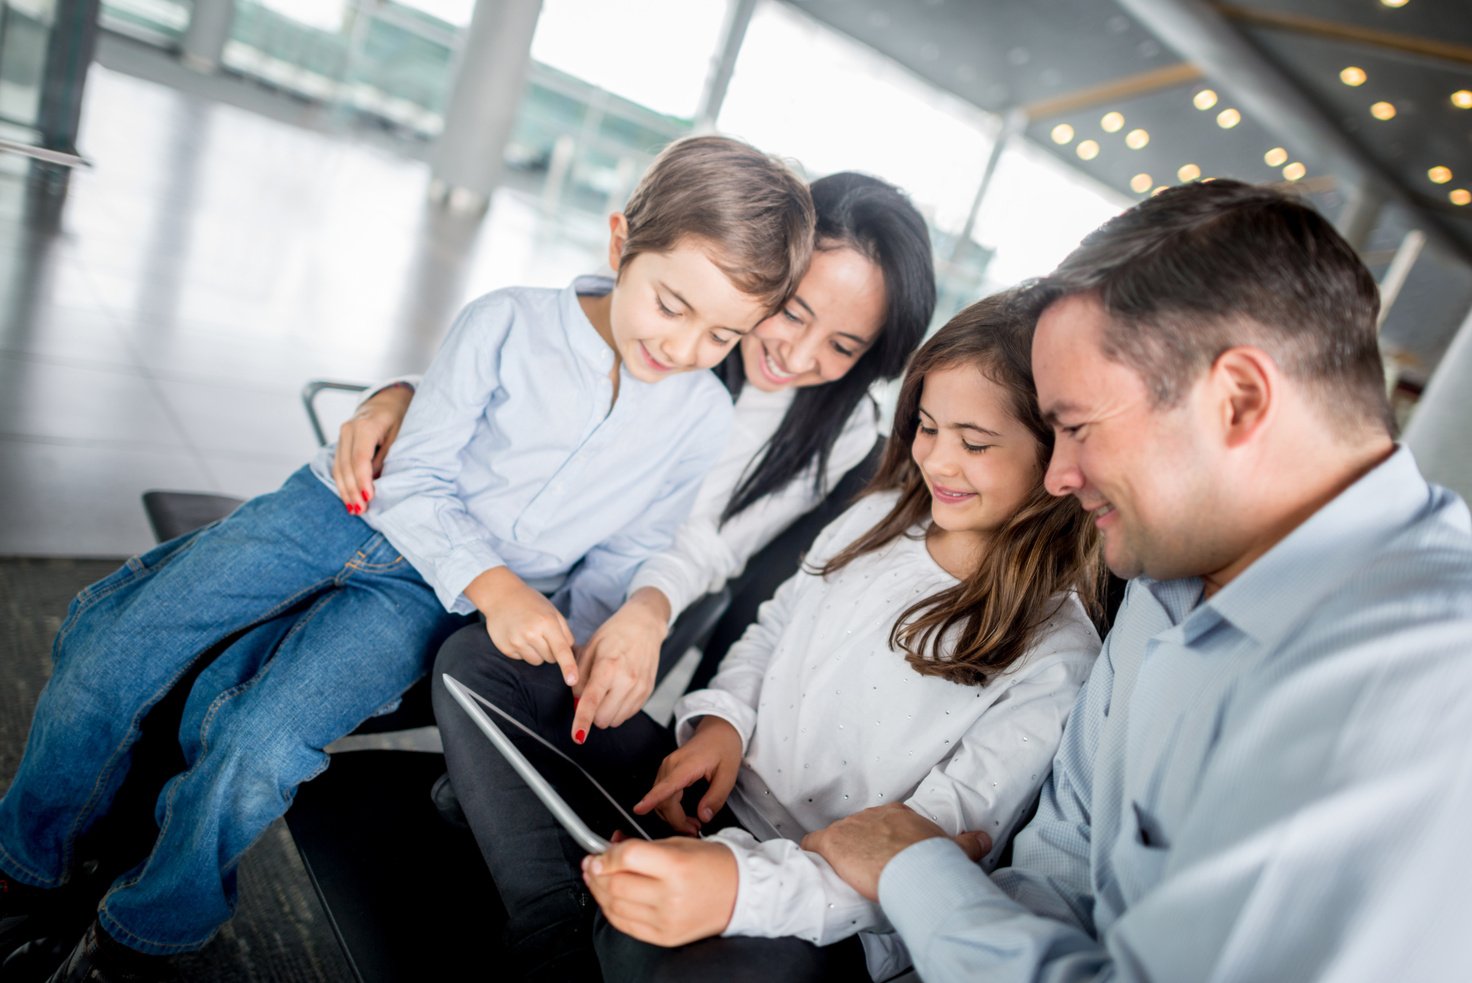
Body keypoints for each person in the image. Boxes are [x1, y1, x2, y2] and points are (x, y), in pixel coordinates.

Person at [0, 135, 816, 980]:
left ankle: (147, 930)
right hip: (337, 512)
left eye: (723, 335)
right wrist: (498, 585)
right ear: (620, 245)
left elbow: (631, 548)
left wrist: (580, 647)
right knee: (114, 648)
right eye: (672, 306)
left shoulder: (701, 420)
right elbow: (413, 477)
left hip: (428, 600)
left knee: (261, 740)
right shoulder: (505, 321)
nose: (684, 349)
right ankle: (26, 861)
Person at [803, 179, 1472, 981]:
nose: (1057, 477)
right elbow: (1058, 876)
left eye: (1077, 427)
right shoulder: (1162, 587)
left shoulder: (1422, 677)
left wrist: (916, 871)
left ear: (1239, 398)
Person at [433, 294, 1106, 981]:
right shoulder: (877, 517)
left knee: (666, 958)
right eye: (927, 427)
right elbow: (772, 629)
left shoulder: (1058, 654)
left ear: (1058, 457)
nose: (937, 460)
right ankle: (556, 925)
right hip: (711, 802)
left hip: (826, 907)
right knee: (481, 666)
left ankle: (556, 872)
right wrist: (720, 726)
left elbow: (925, 856)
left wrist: (735, 886)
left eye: (975, 443)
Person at [336, 171, 937, 744]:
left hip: (597, 588)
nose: (797, 357)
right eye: (792, 313)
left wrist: (650, 607)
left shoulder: (841, 429)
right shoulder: (667, 311)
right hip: (489, 542)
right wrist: (403, 396)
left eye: (842, 346)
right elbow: (527, 380)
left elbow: (710, 544)